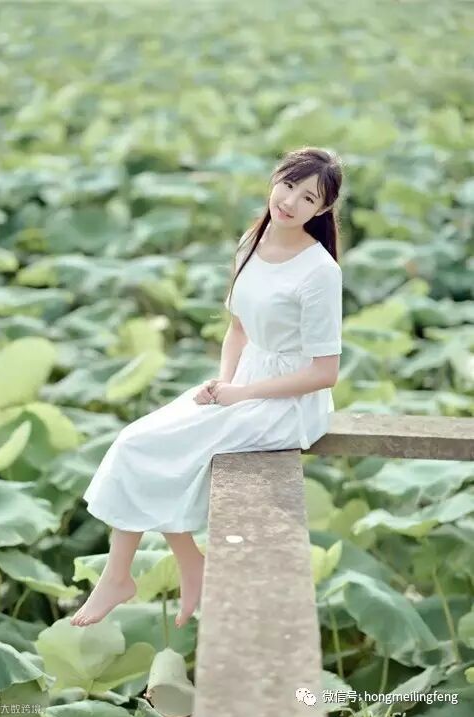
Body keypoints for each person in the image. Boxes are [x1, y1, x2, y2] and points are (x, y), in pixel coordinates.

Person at [70, 145, 344, 629]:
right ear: (275, 179)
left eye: (308, 198)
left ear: (322, 210)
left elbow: (324, 372)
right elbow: (238, 330)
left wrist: (243, 395)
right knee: (135, 440)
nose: (290, 202)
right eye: (288, 186)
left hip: (289, 402)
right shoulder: (252, 241)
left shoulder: (321, 272)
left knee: (163, 449)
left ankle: (120, 577)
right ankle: (179, 564)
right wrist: (224, 383)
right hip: (245, 382)